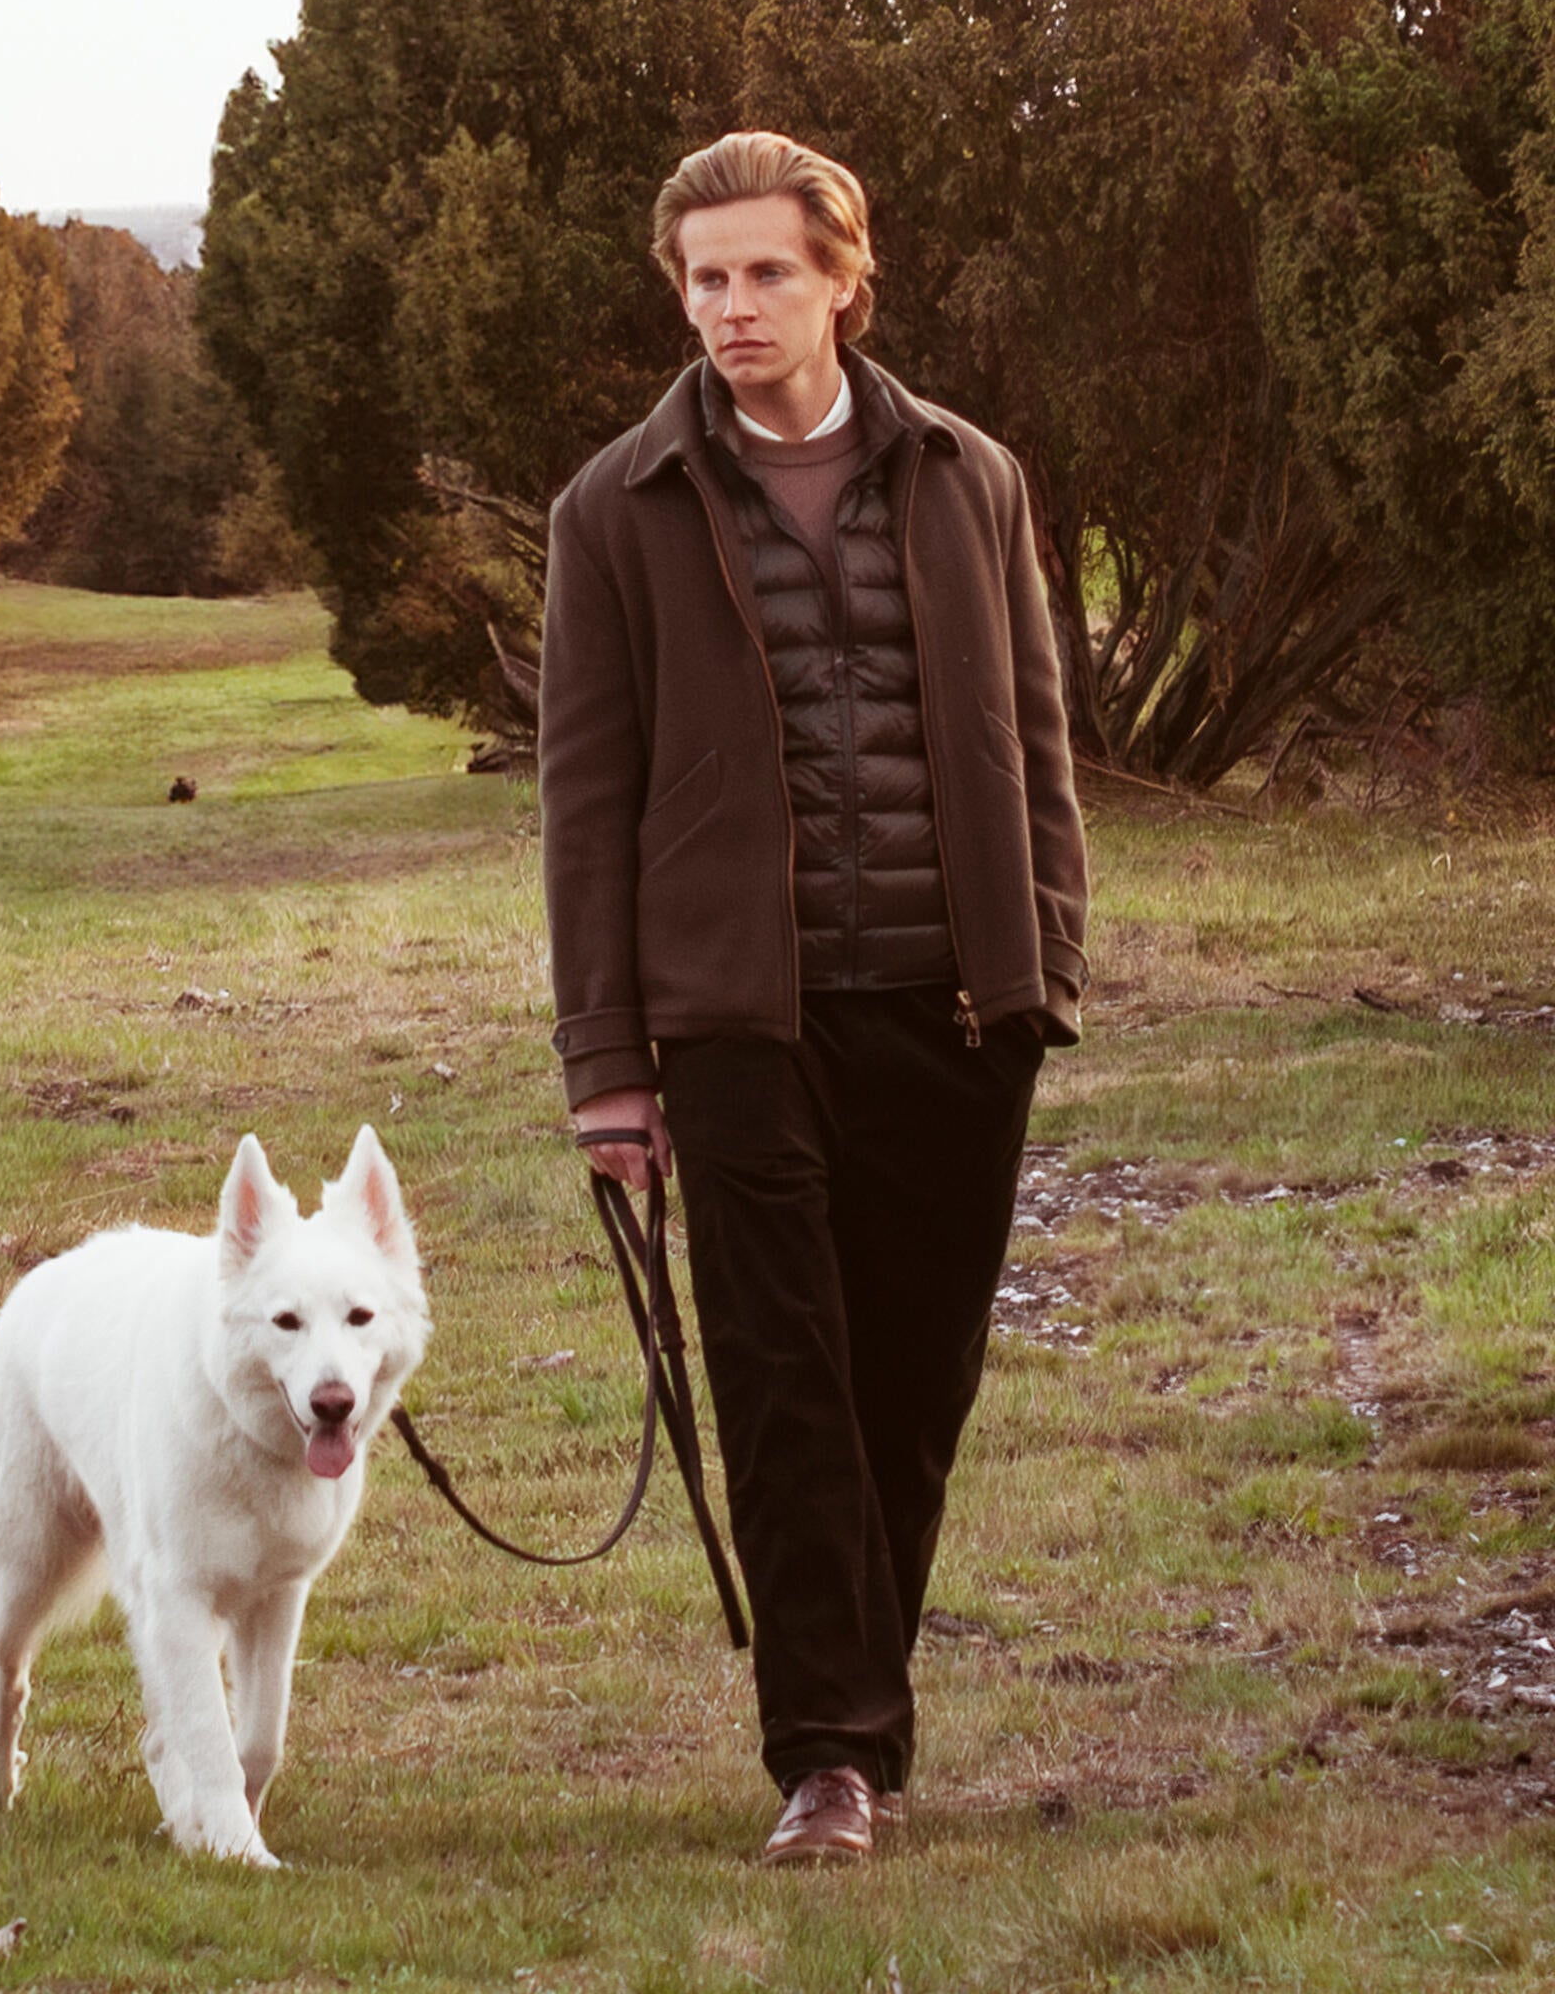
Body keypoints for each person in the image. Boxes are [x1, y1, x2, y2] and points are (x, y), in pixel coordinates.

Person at [537, 130, 1089, 1866]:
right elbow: (585, 801)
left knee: (911, 1391)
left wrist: (1044, 963)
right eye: (705, 278)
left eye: (767, 270)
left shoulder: (971, 475)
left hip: (951, 1010)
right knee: (784, 1385)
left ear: (846, 278)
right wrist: (606, 1061)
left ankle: (862, 1716)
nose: (733, 306)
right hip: (734, 1023)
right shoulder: (613, 509)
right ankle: (830, 1759)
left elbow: (1033, 735)